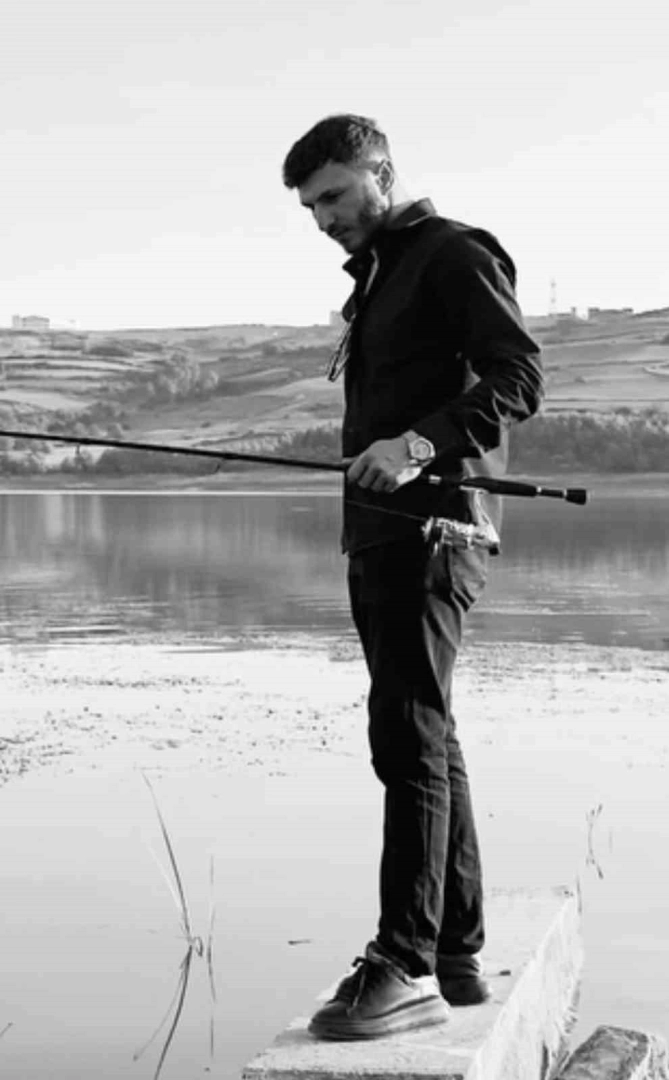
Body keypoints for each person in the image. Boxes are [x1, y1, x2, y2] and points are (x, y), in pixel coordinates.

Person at [282, 114, 544, 1041]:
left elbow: (518, 377)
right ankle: (455, 952)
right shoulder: (382, 276)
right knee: (424, 730)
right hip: (382, 535)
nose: (324, 219)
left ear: (381, 174)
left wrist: (416, 444)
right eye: (311, 207)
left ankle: (402, 962)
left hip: (435, 531)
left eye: (334, 195)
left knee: (405, 737)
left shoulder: (451, 253)